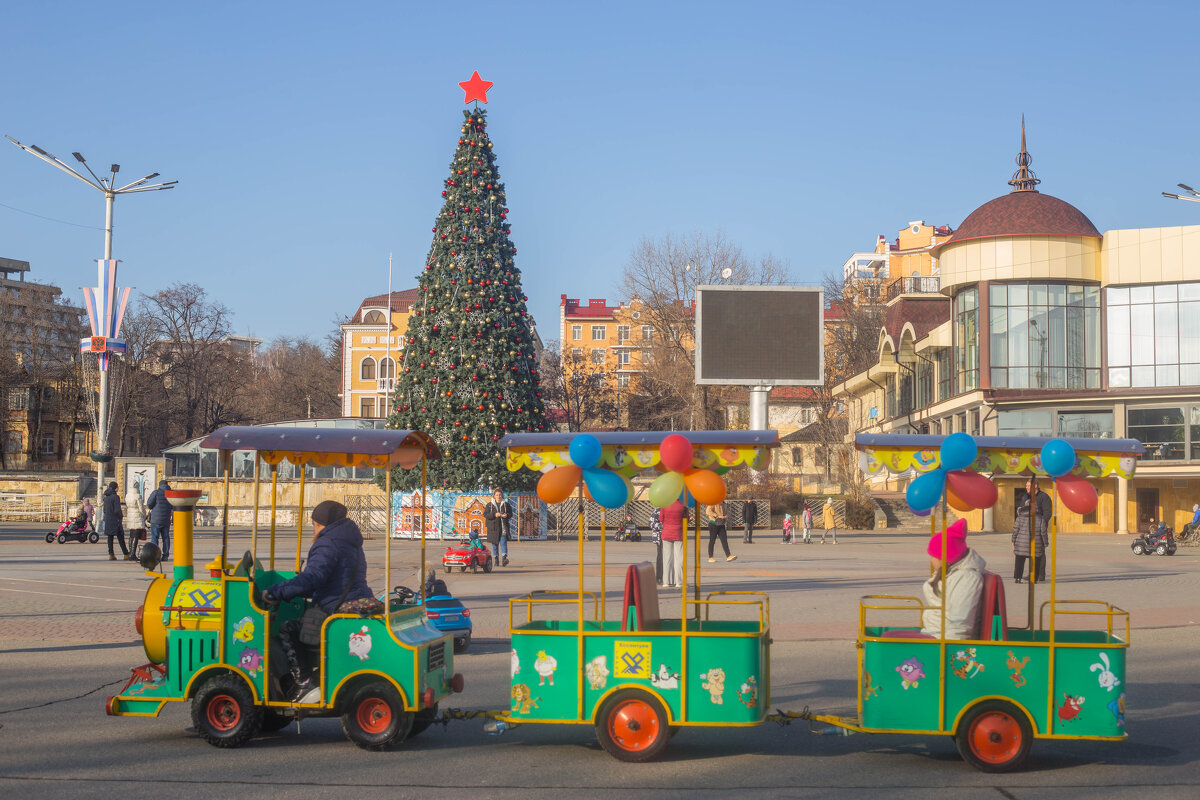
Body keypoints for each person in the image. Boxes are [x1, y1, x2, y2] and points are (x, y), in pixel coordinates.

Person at [263, 500, 374, 700]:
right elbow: (332, 581)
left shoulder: (327, 543)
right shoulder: (350, 541)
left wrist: (275, 592)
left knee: (288, 629)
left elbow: (313, 578)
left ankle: (305, 682)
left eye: (313, 525)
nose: (313, 530)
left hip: (335, 608)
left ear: (320, 524)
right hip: (352, 599)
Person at [921, 518, 987, 639]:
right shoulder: (951, 573)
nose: (931, 560)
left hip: (941, 638)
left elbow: (960, 624)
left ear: (944, 558)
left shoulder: (966, 579)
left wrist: (948, 650)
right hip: (935, 632)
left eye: (933, 556)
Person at [1012, 477, 1051, 584]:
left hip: (1038, 528)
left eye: (1029, 486)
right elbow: (1020, 509)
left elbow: (1047, 512)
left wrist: (1041, 523)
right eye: (1026, 486)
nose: (1027, 488)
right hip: (1026, 527)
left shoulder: (1044, 497)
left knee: (1039, 553)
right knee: (1026, 553)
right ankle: (1031, 574)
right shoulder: (1025, 496)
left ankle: (1040, 575)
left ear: (1035, 486)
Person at [144, 480, 173, 561]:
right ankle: (165, 555)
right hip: (166, 519)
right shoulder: (170, 493)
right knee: (166, 537)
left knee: (154, 538)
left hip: (156, 520)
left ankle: (155, 555)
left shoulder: (156, 493)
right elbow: (173, 505)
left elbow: (149, 504)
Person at [660, 500, 685, 588]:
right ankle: (679, 582)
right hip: (679, 534)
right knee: (679, 559)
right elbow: (686, 519)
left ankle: (666, 582)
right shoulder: (683, 504)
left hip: (666, 533)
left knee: (667, 559)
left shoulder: (665, 504)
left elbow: (661, 519)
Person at [101, 481, 128, 561]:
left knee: (110, 537)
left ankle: (111, 554)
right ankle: (126, 554)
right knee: (120, 537)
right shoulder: (115, 497)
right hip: (115, 520)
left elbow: (105, 510)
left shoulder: (106, 497)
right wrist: (121, 516)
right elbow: (117, 510)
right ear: (115, 488)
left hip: (108, 519)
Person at [484, 488, 511, 567]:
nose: (498, 496)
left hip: (503, 527)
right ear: (494, 496)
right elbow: (486, 515)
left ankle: (504, 558)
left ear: (502, 495)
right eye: (497, 495)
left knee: (503, 542)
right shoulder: (489, 505)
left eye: (500, 495)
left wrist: (507, 515)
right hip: (493, 528)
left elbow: (510, 514)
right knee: (495, 544)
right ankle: (496, 559)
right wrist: (494, 515)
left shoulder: (506, 504)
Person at [124, 483, 147, 561]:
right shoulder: (138, 496)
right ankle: (133, 554)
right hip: (137, 517)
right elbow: (141, 508)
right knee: (136, 536)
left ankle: (130, 552)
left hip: (130, 515)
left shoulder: (127, 495)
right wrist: (144, 515)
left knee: (131, 535)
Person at [650, 508, 664, 584]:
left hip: (670, 536)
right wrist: (662, 526)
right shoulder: (658, 510)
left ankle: (668, 577)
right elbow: (651, 523)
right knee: (661, 557)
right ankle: (659, 577)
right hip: (660, 537)